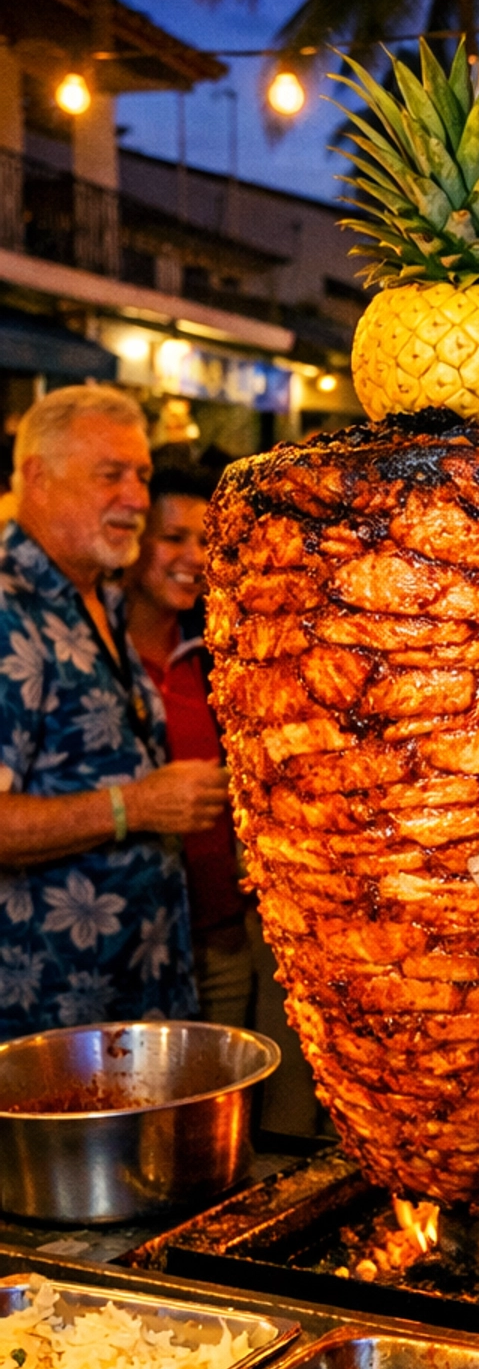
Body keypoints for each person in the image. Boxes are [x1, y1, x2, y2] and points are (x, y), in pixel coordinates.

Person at [0, 387, 227, 1038]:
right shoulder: (8, 608)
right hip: (45, 1025)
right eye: (111, 475)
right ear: (37, 477)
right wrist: (136, 806)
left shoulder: (102, 601)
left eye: (142, 476)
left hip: (137, 999)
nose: (135, 498)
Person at [125, 463, 253, 1027]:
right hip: (133, 951)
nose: (195, 557)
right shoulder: (95, 659)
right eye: (173, 538)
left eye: (206, 540)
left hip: (223, 940)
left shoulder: (220, 652)